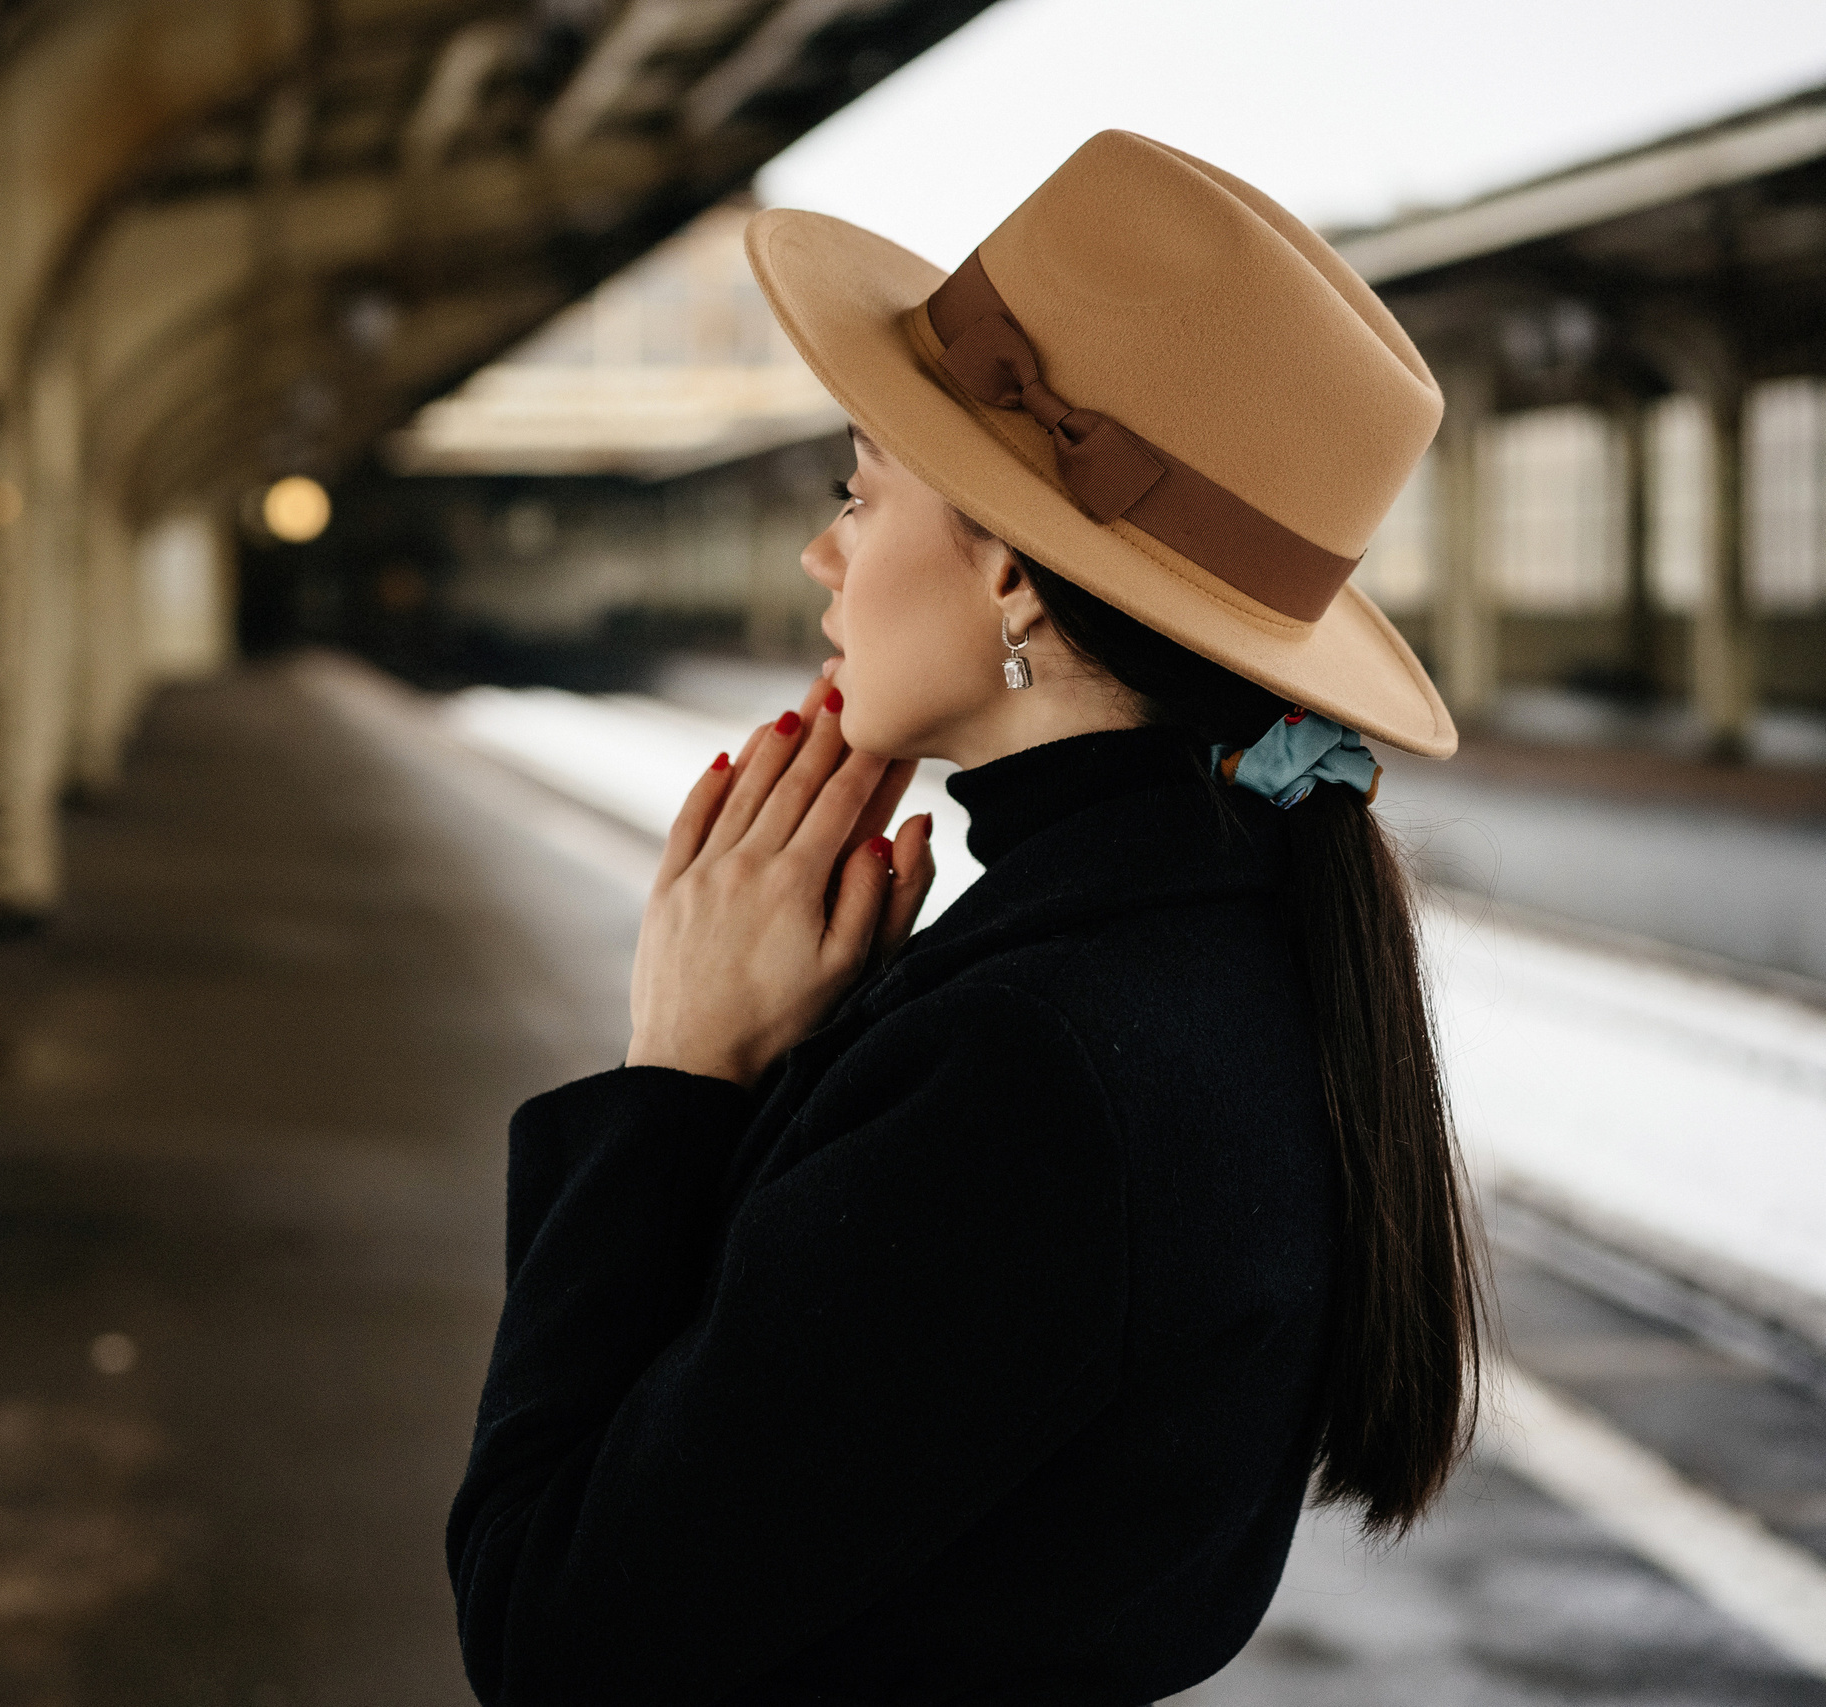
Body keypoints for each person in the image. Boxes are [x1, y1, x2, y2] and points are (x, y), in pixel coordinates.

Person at [445, 131, 1486, 1705]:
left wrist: (678, 1079)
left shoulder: (1026, 1070)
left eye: (861, 493)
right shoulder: (1233, 939)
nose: (822, 551)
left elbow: (554, 1631)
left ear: (1011, 573)